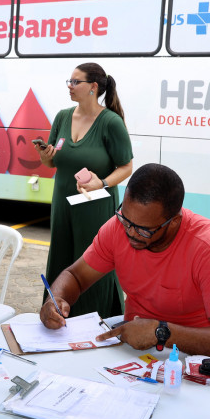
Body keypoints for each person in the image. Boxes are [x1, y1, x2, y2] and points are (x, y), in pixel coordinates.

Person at [40, 163, 210, 359]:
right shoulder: (117, 228)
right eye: (125, 219)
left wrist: (160, 332)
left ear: (174, 222)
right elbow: (75, 276)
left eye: (144, 229)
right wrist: (55, 299)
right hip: (133, 349)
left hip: (192, 358)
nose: (131, 232)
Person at [34, 62, 133, 319]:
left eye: (76, 82)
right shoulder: (62, 117)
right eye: (69, 81)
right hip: (63, 204)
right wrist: (45, 156)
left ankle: (95, 319)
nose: (70, 86)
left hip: (95, 206)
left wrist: (103, 182)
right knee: (61, 258)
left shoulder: (110, 122)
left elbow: (126, 167)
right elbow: (52, 163)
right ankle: (56, 314)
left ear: (93, 87)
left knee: (92, 263)